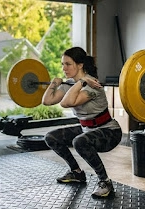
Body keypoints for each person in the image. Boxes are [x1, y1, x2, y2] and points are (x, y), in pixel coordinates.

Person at [42, 46, 122, 198]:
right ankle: (76, 172)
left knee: (79, 142)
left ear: (80, 65)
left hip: (109, 132)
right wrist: (54, 84)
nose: (64, 68)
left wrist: (82, 82)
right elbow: (47, 101)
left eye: (68, 64)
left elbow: (67, 103)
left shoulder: (93, 85)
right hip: (87, 129)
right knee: (50, 137)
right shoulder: (70, 84)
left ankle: (105, 182)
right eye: (62, 64)